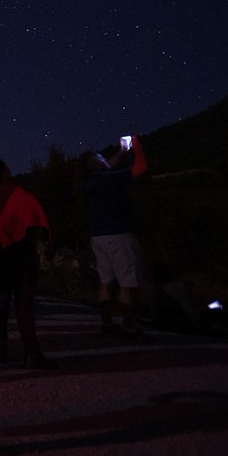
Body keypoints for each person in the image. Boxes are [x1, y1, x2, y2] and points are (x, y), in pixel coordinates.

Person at [0, 156, 56, 368]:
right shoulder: (18, 194)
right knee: (24, 308)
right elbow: (35, 219)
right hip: (20, 257)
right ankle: (31, 353)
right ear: (4, 172)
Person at [82, 136, 149, 338]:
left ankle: (107, 323)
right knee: (127, 283)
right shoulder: (108, 179)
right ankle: (129, 326)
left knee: (106, 282)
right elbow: (140, 168)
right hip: (118, 234)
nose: (104, 157)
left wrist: (121, 151)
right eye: (100, 156)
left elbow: (107, 167)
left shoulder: (90, 181)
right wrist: (137, 146)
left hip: (98, 236)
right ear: (96, 163)